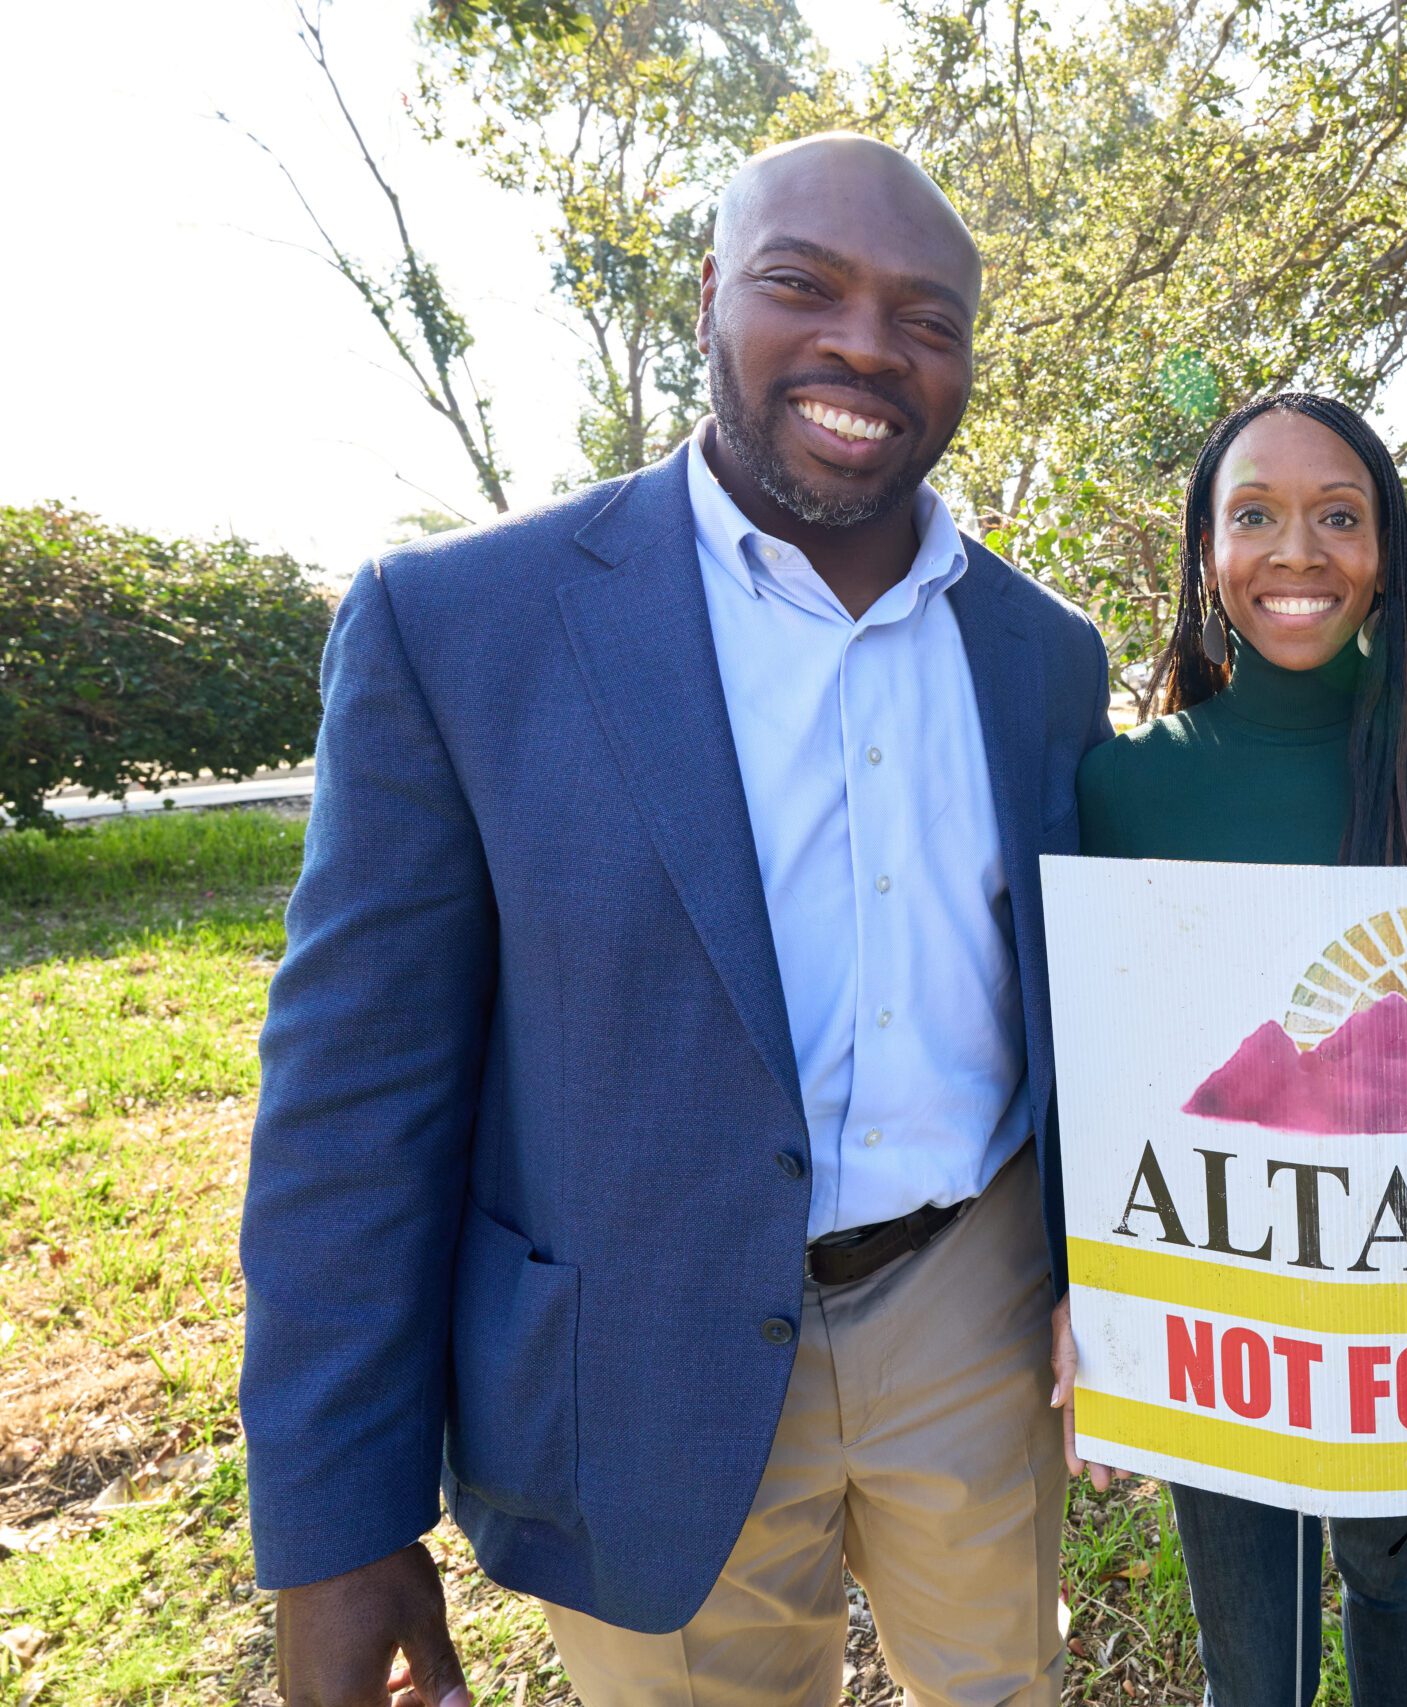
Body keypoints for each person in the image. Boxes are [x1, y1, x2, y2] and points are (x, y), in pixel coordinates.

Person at [241, 134, 1111, 1707]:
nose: (866, 343)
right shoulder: (461, 627)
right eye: (804, 284)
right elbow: (351, 1107)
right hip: (633, 1351)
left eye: (928, 316)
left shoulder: (1044, 653)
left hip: (967, 1319)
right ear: (709, 296)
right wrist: (336, 1529)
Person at [1051, 394, 1407, 1707]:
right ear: (1207, 549)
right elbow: (1097, 1070)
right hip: (1214, 1303)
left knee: (1392, 1605)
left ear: (1387, 551)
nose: (1297, 553)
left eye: (1338, 516)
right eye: (1253, 514)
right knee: (1248, 1669)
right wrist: (1085, 1302)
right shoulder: (1128, 785)